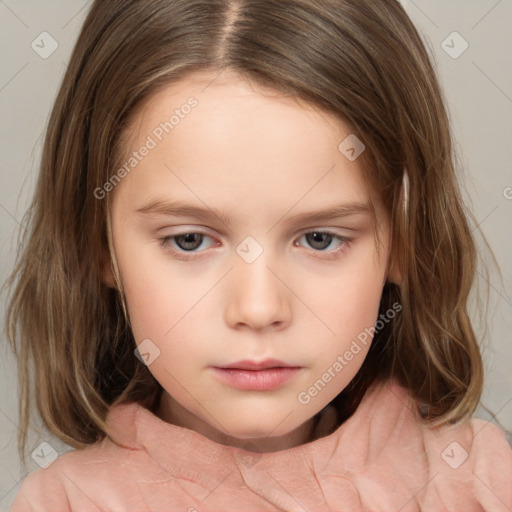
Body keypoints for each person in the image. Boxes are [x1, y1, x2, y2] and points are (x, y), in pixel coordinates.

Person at [4, 0, 511, 510]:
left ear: (404, 241)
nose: (258, 309)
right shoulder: (63, 503)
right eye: (190, 240)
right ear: (100, 246)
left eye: (319, 239)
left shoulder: (485, 485)